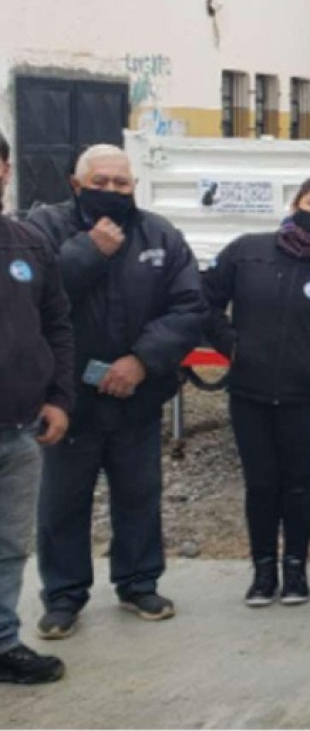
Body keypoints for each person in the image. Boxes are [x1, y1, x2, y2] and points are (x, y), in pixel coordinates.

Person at [25, 144, 205, 639]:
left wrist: (142, 361)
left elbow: (190, 306)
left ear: (134, 187)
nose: (111, 192)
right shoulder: (41, 231)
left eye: (120, 184)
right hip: (67, 401)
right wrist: (88, 252)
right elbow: (35, 298)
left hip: (136, 396)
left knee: (138, 493)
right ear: (75, 184)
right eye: (99, 183)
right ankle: (63, 596)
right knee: (62, 502)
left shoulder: (160, 234)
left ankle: (138, 582)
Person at [202, 176, 310, 606]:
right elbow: (206, 301)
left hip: (305, 397)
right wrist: (231, 345)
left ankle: (295, 571)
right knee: (260, 485)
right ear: (295, 203)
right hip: (250, 393)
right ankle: (262, 573)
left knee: (298, 485)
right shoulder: (246, 250)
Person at [0, 133, 72, 684]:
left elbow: (57, 329)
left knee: (8, 545)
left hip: (19, 428)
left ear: (5, 172)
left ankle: (3, 643)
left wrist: (57, 398)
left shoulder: (28, 244)